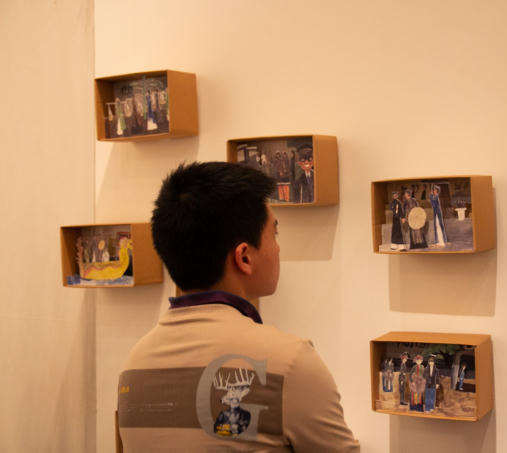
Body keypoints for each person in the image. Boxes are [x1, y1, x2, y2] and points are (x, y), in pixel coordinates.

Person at [117, 162, 358, 452]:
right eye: (274, 235)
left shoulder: (135, 363)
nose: (277, 248)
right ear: (244, 257)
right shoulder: (289, 362)